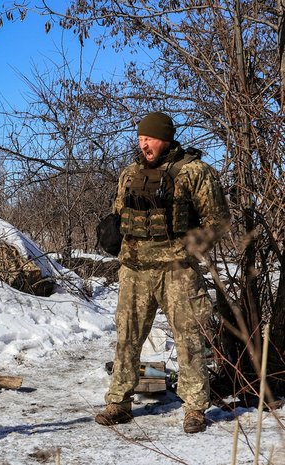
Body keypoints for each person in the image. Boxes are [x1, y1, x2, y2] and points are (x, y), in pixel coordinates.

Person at [95, 112, 230, 433]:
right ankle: (118, 402)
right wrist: (111, 231)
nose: (143, 143)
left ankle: (195, 407)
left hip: (178, 271)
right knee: (127, 337)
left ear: (166, 138)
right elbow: (119, 211)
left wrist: (189, 249)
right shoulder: (129, 174)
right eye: (140, 137)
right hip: (135, 269)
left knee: (190, 338)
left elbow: (218, 221)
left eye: (150, 137)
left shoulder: (196, 173)